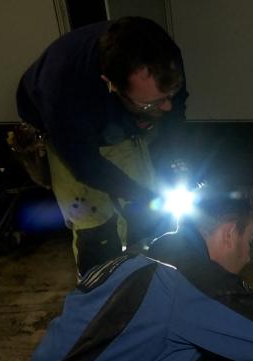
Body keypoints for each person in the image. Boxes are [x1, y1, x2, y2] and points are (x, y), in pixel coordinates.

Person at [19, 191, 253, 361]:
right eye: (250, 241)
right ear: (229, 233)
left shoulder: (146, 256)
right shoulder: (183, 286)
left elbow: (225, 340)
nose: (249, 257)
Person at [15, 16, 188, 277]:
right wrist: (141, 194)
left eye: (168, 96)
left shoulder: (163, 54)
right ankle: (100, 298)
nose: (166, 107)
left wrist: (173, 162)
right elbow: (86, 165)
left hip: (112, 116)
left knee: (151, 215)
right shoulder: (63, 89)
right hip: (68, 135)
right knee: (97, 229)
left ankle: (154, 286)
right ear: (111, 84)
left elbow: (175, 113)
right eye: (152, 104)